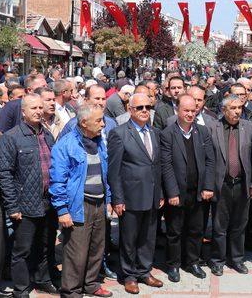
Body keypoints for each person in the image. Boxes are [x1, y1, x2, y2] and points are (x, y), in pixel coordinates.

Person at [49, 104, 113, 298]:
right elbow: (58, 179)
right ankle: (71, 291)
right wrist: (62, 210)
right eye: (99, 120)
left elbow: (104, 174)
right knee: (76, 252)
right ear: (84, 122)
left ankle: (91, 284)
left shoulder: (99, 142)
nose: (103, 124)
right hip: (79, 205)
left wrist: (108, 198)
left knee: (96, 248)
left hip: (99, 203)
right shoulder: (66, 145)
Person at [0, 94, 58, 297]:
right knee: (21, 251)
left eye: (41, 107)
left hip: (48, 202)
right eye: (34, 108)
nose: (39, 111)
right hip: (25, 204)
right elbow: (4, 173)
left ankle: (42, 279)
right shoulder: (11, 137)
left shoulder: (48, 135)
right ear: (23, 112)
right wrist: (12, 206)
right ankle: (21, 289)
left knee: (44, 246)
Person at [107, 93, 164, 294]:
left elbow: (158, 165)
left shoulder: (155, 133)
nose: (144, 111)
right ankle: (129, 275)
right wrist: (117, 198)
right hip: (130, 196)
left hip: (152, 194)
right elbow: (113, 170)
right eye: (139, 108)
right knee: (129, 238)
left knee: (148, 237)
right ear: (130, 110)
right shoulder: (119, 133)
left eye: (147, 107)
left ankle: (144, 271)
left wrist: (161, 192)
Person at [160, 94, 215, 283]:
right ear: (178, 110)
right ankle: (173, 264)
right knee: (174, 231)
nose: (190, 114)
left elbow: (210, 161)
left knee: (196, 229)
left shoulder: (203, 132)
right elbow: (165, 165)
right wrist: (172, 192)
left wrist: (208, 186)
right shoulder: (168, 134)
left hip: (198, 191)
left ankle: (192, 261)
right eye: (186, 110)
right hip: (178, 193)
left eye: (193, 110)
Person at [208, 95, 252, 276]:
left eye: (239, 108)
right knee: (219, 226)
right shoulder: (213, 127)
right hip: (222, 184)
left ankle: (237, 259)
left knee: (239, 224)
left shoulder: (249, 127)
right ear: (223, 110)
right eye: (233, 108)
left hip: (242, 184)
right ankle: (217, 260)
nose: (237, 111)